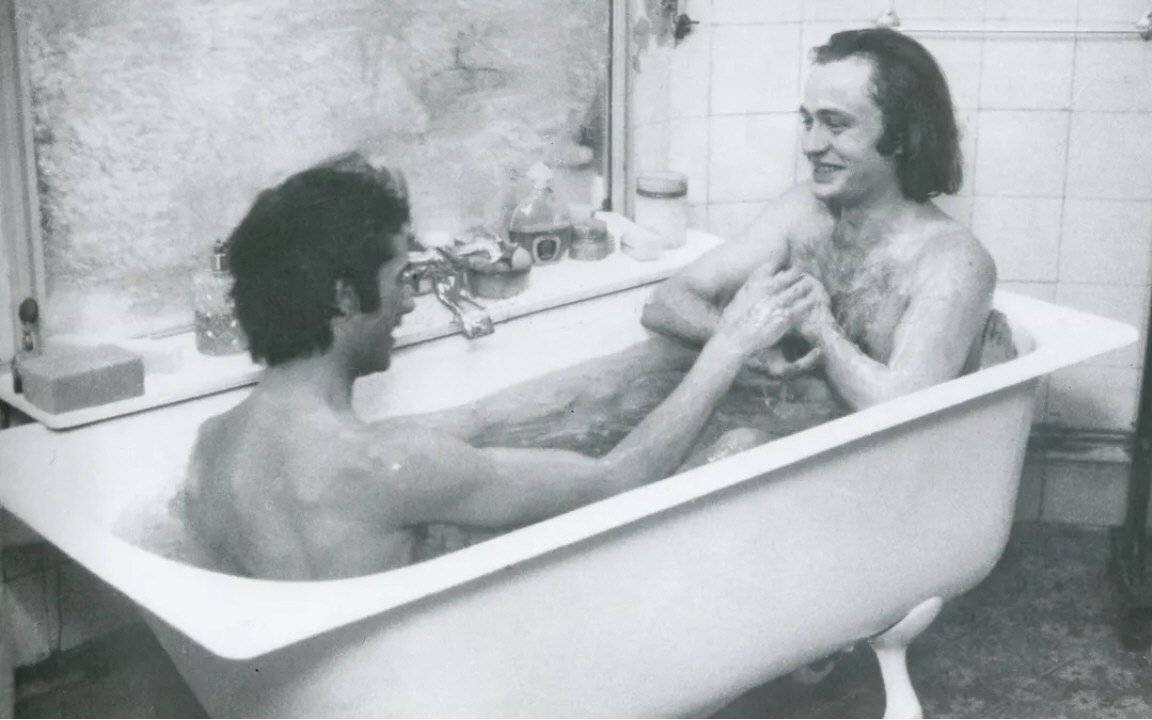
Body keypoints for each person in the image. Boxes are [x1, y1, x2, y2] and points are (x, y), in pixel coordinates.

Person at [181, 152, 821, 581]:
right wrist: (727, 347)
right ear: (345, 298)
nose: (411, 301)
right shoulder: (389, 466)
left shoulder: (211, 449)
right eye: (402, 279)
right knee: (741, 446)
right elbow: (618, 478)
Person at [642, 28, 1011, 411]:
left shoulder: (953, 261)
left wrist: (821, 328)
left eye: (836, 125)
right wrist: (749, 348)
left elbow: (901, 407)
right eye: (808, 122)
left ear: (902, 136)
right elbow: (664, 303)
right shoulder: (803, 211)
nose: (811, 145)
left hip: (876, 445)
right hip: (791, 419)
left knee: (740, 440)